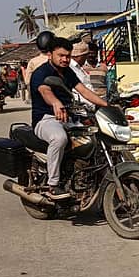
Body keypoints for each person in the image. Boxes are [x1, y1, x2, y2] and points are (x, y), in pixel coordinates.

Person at [30, 36, 109, 199]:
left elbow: (84, 91)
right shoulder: (41, 73)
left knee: (96, 138)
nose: (65, 59)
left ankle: (90, 181)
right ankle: (53, 185)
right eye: (61, 55)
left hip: (69, 118)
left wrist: (108, 106)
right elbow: (45, 91)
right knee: (59, 138)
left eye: (68, 56)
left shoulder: (68, 72)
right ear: (50, 54)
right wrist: (56, 103)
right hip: (46, 119)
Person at [69, 41, 95, 110]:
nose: (86, 58)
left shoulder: (79, 68)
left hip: (90, 108)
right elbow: (83, 91)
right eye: (85, 56)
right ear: (80, 56)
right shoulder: (70, 68)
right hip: (81, 110)